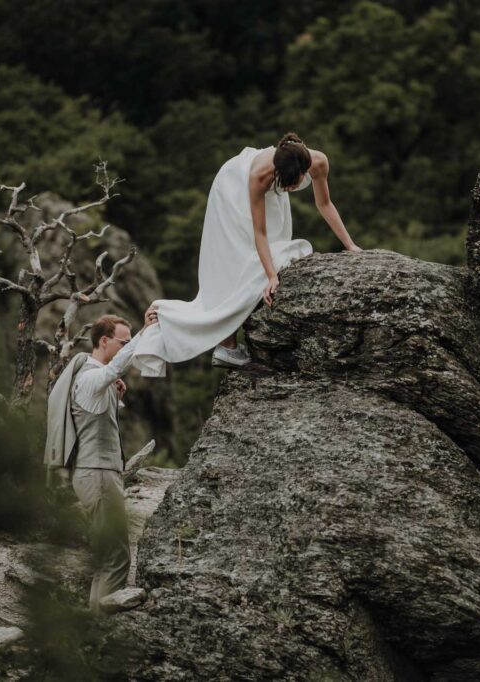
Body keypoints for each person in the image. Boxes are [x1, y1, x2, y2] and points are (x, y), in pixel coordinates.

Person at [132, 132, 361, 375]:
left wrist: (350, 244)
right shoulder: (260, 176)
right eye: (288, 184)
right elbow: (259, 233)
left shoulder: (318, 162)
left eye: (296, 182)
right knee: (238, 257)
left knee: (277, 244)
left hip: (269, 185)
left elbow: (324, 204)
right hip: (233, 188)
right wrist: (272, 276)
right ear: (277, 174)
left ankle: (227, 340)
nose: (293, 188)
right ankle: (223, 343)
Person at [44, 306, 158, 611]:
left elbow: (95, 414)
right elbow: (112, 371)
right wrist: (145, 335)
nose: (127, 344)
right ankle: (103, 629)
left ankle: (94, 631)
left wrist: (116, 396)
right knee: (117, 556)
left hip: (98, 473)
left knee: (106, 555)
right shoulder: (91, 376)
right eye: (124, 341)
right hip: (97, 474)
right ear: (104, 341)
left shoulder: (97, 380)